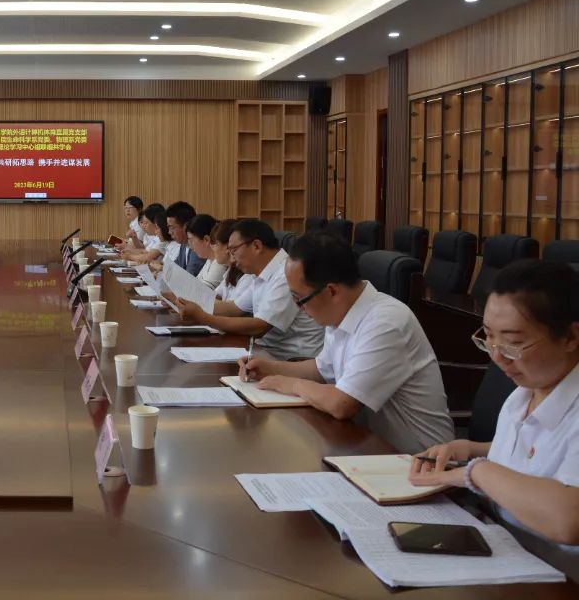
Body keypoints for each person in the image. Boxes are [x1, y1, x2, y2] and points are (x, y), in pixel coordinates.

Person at [410, 260, 579, 556]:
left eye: (513, 342)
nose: (497, 357)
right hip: (503, 543)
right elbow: (543, 453)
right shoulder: (524, 392)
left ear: (571, 337)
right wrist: (473, 449)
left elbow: (568, 519)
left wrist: (476, 472)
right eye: (488, 336)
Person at [240, 232, 453, 454]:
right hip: (366, 447)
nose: (299, 308)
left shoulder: (386, 322)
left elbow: (342, 404)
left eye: (299, 300)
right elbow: (321, 369)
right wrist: (269, 368)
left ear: (331, 291)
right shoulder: (339, 313)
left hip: (418, 460)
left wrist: (292, 385)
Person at [176, 219, 323, 360]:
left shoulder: (285, 273)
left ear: (256, 246)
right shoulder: (258, 273)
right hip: (263, 352)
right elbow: (233, 309)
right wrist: (186, 301)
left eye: (233, 250)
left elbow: (259, 327)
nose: (232, 258)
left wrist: (201, 316)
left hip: (289, 360)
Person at [159, 201, 206, 276]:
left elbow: (189, 276)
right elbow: (175, 267)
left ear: (186, 227)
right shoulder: (183, 244)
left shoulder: (198, 248)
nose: (169, 232)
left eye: (172, 227)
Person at [211, 219, 250, 302]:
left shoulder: (247, 276)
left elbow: (232, 308)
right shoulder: (230, 271)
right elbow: (214, 295)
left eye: (216, 244)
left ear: (228, 246)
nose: (213, 249)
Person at [185, 214, 226, 288]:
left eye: (191, 240)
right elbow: (195, 283)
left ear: (206, 239)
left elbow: (199, 292)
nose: (190, 247)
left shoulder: (220, 264)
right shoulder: (209, 260)